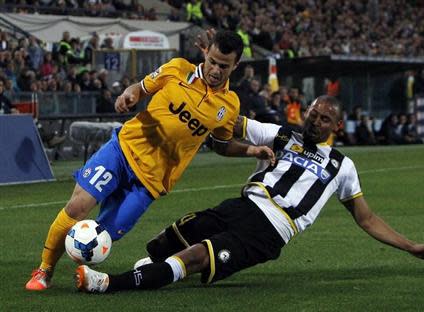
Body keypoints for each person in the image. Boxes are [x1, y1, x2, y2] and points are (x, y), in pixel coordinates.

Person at [74, 95, 424, 293]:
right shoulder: (281, 134)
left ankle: (109, 284)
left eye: (324, 119)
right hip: (241, 205)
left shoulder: (341, 166)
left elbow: (366, 218)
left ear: (336, 126)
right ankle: (155, 273)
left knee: (198, 255)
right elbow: (228, 124)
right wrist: (199, 102)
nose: (316, 121)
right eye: (313, 115)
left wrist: (411, 246)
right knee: (160, 245)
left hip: (271, 228)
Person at [26, 30, 275, 291]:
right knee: (77, 208)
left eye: (223, 66)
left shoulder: (229, 104)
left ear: (235, 66)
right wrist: (129, 95)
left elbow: (221, 145)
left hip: (150, 182)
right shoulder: (177, 69)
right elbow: (140, 88)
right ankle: (44, 270)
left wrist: (252, 151)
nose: (215, 69)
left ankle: (82, 268)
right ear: (206, 53)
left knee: (105, 235)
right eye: (212, 61)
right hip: (123, 151)